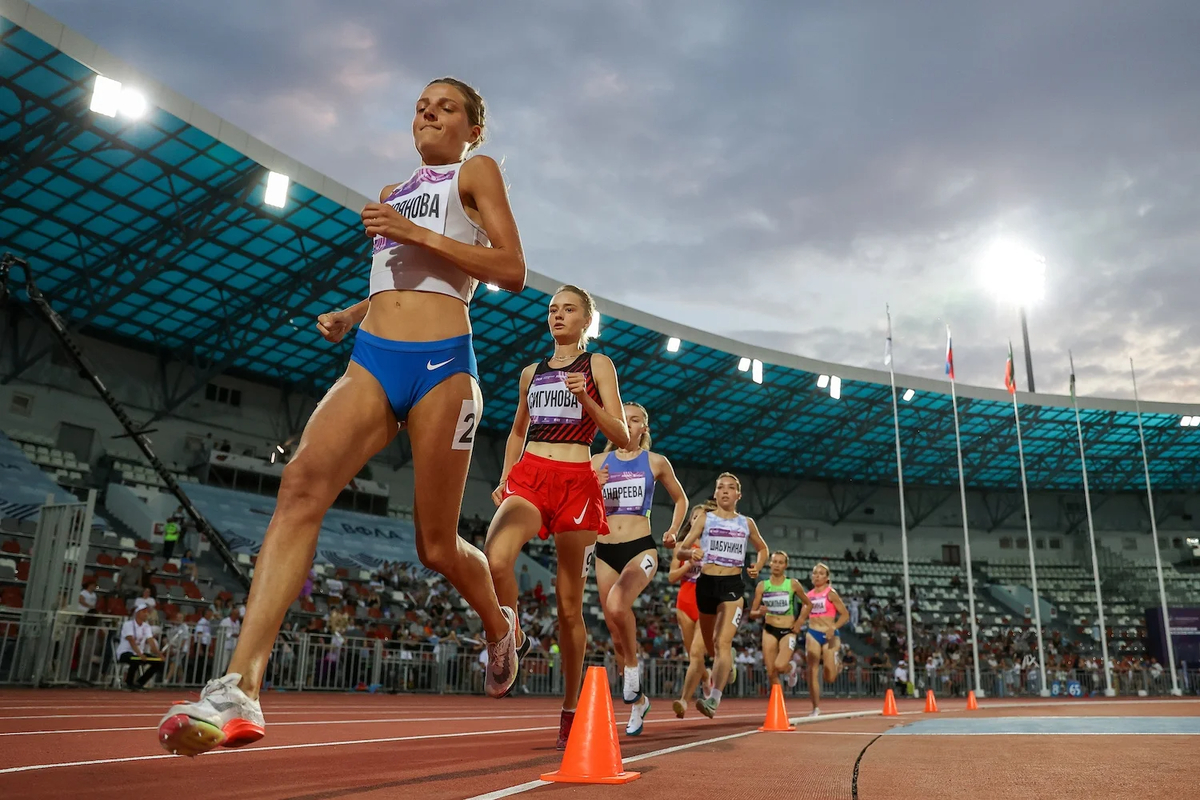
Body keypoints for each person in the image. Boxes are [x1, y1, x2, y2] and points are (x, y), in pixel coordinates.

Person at [159, 77, 527, 757]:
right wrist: (352, 311)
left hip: (446, 368)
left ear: (474, 128)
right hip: (371, 360)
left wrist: (410, 229)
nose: (429, 112)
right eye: (422, 104)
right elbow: (399, 277)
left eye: (446, 107)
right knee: (300, 487)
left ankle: (500, 625)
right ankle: (240, 686)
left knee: (436, 546)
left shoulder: (476, 172)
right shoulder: (391, 194)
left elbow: (511, 269)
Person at [484, 285, 630, 749]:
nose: (557, 316)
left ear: (586, 320)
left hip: (577, 480)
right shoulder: (532, 372)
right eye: (552, 310)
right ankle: (512, 635)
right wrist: (507, 477)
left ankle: (570, 708)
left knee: (569, 607)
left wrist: (587, 400)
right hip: (531, 475)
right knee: (496, 556)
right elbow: (516, 430)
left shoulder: (598, 365)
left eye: (568, 310)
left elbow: (622, 435)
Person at [591, 402, 688, 736]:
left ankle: (632, 670)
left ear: (643, 428)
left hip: (640, 548)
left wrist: (674, 530)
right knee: (616, 636)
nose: (626, 424)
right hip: (604, 551)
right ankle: (638, 703)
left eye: (633, 420)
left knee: (618, 604)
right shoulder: (596, 462)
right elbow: (573, 501)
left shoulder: (655, 462)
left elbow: (681, 499)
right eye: (621, 418)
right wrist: (592, 484)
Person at [674, 473, 768, 719]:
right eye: (720, 487)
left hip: (732, 586)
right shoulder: (704, 518)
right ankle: (727, 662)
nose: (725, 491)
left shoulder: (746, 523)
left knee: (722, 642)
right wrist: (688, 554)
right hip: (706, 585)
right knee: (710, 645)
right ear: (715, 494)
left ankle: (713, 698)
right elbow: (682, 548)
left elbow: (762, 548)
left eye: (731, 488)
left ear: (739, 495)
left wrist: (758, 565)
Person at [669, 500, 716, 718]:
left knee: (697, 654)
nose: (698, 521)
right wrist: (688, 563)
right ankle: (706, 678)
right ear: (691, 521)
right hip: (685, 604)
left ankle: (683, 701)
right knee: (692, 657)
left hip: (706, 603)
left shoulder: (714, 546)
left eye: (703, 518)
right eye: (695, 517)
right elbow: (671, 577)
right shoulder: (681, 547)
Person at [749, 551, 811, 689]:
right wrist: (759, 612)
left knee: (780, 666)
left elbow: (808, 604)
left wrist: (799, 622)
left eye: (780, 562)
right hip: (769, 630)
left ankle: (791, 668)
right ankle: (778, 708)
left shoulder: (793, 584)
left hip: (788, 631)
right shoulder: (762, 586)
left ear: (785, 565)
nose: (777, 565)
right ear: (770, 564)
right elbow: (752, 613)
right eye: (774, 562)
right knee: (771, 672)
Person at [805, 562, 850, 717]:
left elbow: (845, 615)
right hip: (813, 633)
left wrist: (834, 627)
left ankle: (837, 665)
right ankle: (816, 707)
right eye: (815, 573)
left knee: (829, 677)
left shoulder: (831, 593)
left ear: (827, 578)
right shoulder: (808, 596)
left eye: (821, 573)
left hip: (829, 635)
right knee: (812, 669)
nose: (817, 575)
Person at [115, 606, 164, 691]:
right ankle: (129, 683)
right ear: (137, 613)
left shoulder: (146, 626)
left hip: (139, 653)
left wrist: (160, 655)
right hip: (125, 652)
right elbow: (131, 640)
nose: (146, 614)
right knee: (135, 660)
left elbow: (151, 641)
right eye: (143, 612)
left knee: (158, 662)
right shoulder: (128, 624)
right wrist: (139, 654)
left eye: (146, 612)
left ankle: (140, 683)